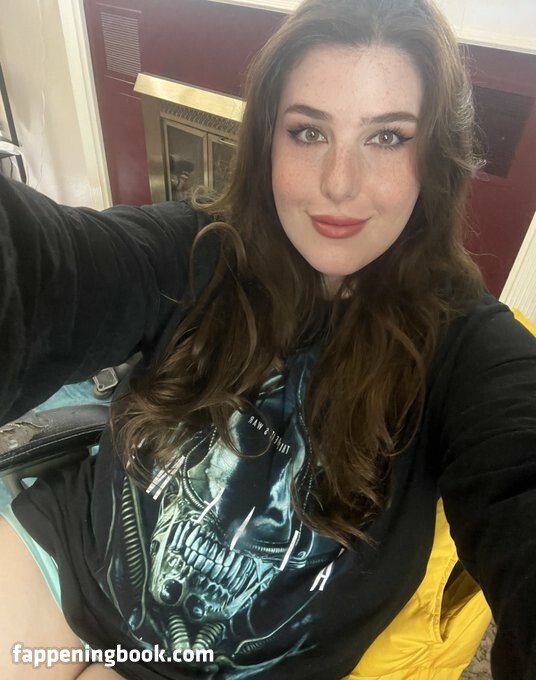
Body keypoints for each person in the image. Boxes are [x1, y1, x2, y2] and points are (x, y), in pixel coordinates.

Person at [0, 0, 535, 678]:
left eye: (387, 137)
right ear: (267, 144)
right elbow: (46, 272)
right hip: (67, 566)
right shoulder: (196, 250)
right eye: (308, 132)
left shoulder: (467, 352)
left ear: (434, 160)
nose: (339, 183)